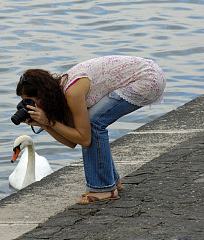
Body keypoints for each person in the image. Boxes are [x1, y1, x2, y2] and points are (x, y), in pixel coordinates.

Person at [15, 55, 166, 204]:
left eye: (30, 101)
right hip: (146, 74)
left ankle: (103, 188)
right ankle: (111, 181)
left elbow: (85, 139)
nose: (29, 105)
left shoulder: (72, 92)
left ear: (41, 95)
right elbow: (72, 141)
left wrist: (49, 122)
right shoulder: (61, 92)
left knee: (94, 123)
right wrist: (45, 124)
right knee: (91, 123)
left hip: (147, 78)